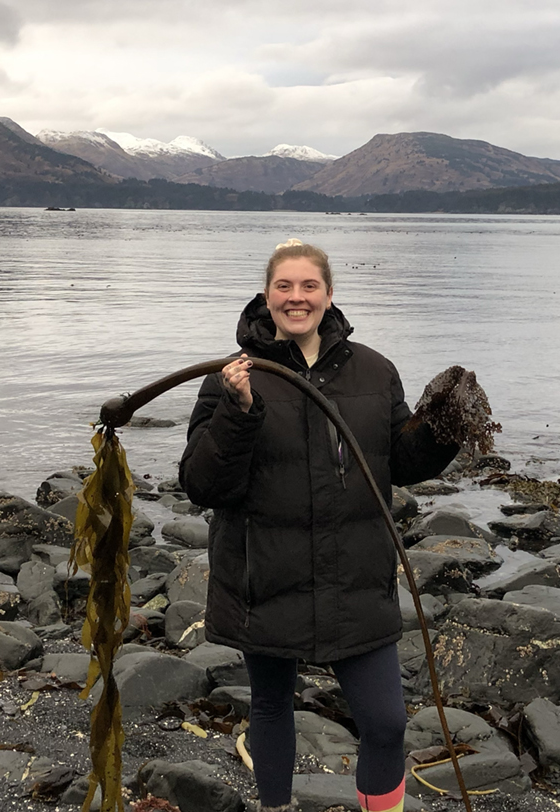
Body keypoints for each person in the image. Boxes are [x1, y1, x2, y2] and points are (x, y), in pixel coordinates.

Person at [180, 239, 459, 812]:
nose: (296, 297)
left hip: (353, 576)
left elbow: (400, 462)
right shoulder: (229, 377)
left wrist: (442, 430)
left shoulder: (375, 371)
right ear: (266, 295)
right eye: (284, 286)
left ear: (329, 295)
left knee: (385, 722)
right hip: (266, 577)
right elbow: (203, 484)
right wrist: (238, 412)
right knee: (272, 706)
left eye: (309, 286)